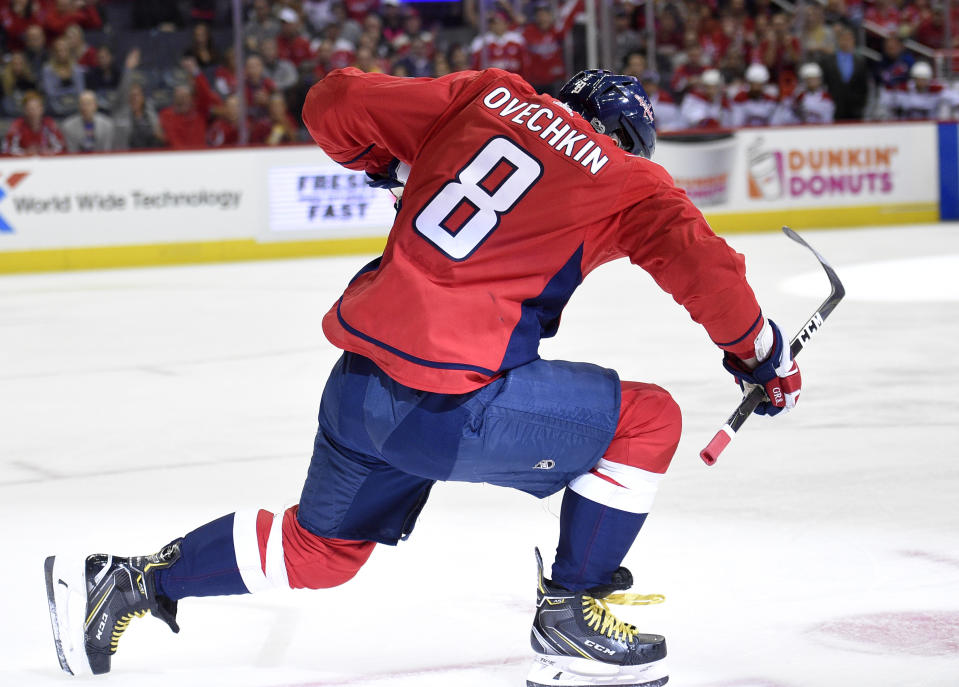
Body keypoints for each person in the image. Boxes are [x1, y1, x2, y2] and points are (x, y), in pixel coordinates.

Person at [44, 67, 801, 686]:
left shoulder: (487, 96)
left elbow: (330, 100)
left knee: (319, 550)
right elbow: (709, 272)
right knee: (648, 419)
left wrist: (385, 166)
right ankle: (568, 615)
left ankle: (129, 581)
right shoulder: (629, 179)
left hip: (358, 382)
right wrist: (762, 356)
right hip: (448, 404)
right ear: (626, 138)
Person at [821, 26, 868, 120]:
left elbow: (864, 86)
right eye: (843, 39)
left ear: (853, 41)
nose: (846, 42)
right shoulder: (828, 61)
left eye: (848, 39)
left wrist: (861, 104)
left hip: (855, 108)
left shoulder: (860, 61)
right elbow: (825, 82)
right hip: (834, 106)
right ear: (838, 40)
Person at [2, 90, 65, 155]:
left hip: (46, 162)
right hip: (22, 162)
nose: (34, 112)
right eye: (30, 109)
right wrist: (25, 152)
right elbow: (7, 150)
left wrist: (50, 152)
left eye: (36, 108)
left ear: (42, 109)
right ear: (25, 110)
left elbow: (62, 148)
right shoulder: (17, 126)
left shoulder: (49, 124)